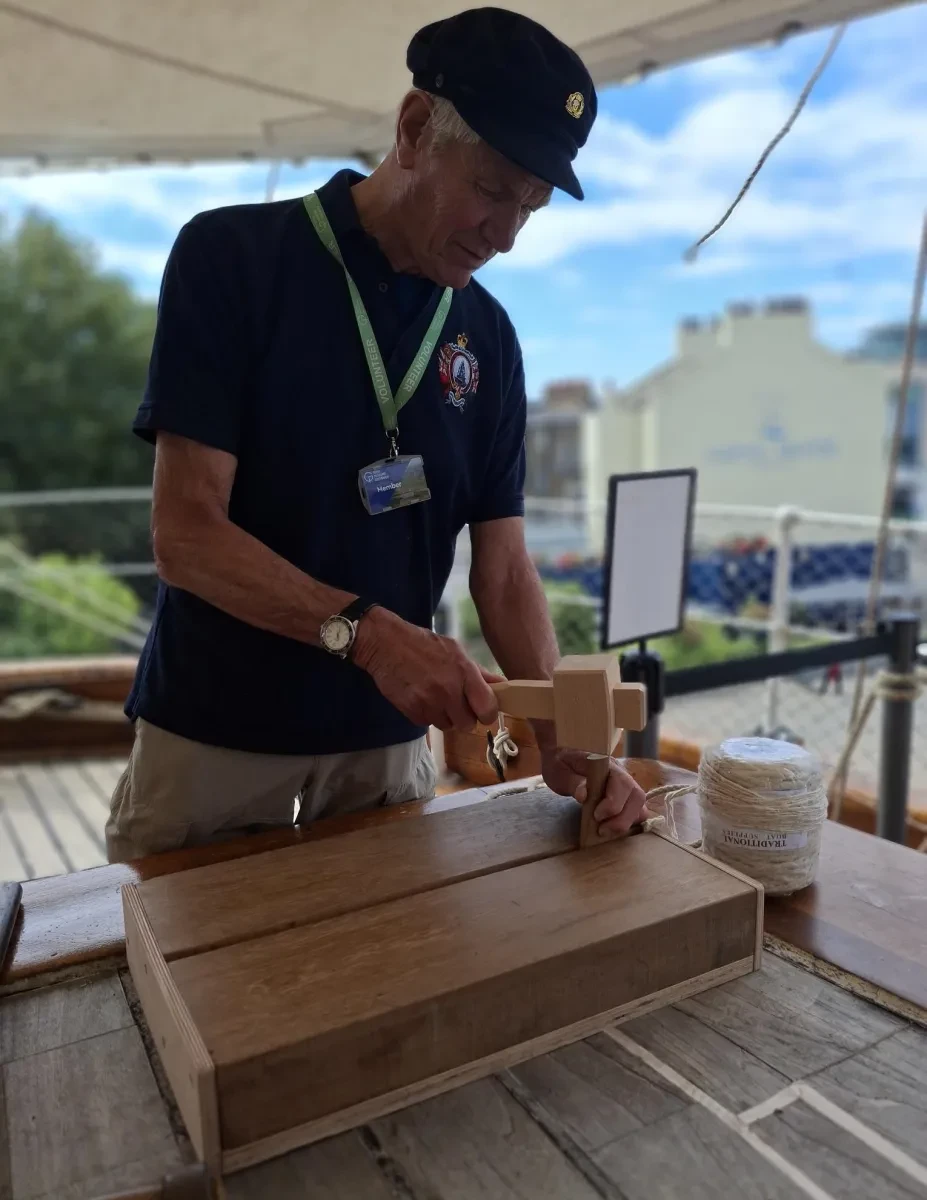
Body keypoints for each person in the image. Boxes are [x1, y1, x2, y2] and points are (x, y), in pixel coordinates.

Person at [105, 6, 648, 861]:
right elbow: (185, 536)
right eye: (491, 189)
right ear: (413, 129)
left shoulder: (490, 337)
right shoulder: (232, 258)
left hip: (390, 749)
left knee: (390, 984)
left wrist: (563, 738)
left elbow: (502, 571)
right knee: (177, 988)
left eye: (531, 208)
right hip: (213, 734)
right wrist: (373, 637)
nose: (504, 235)